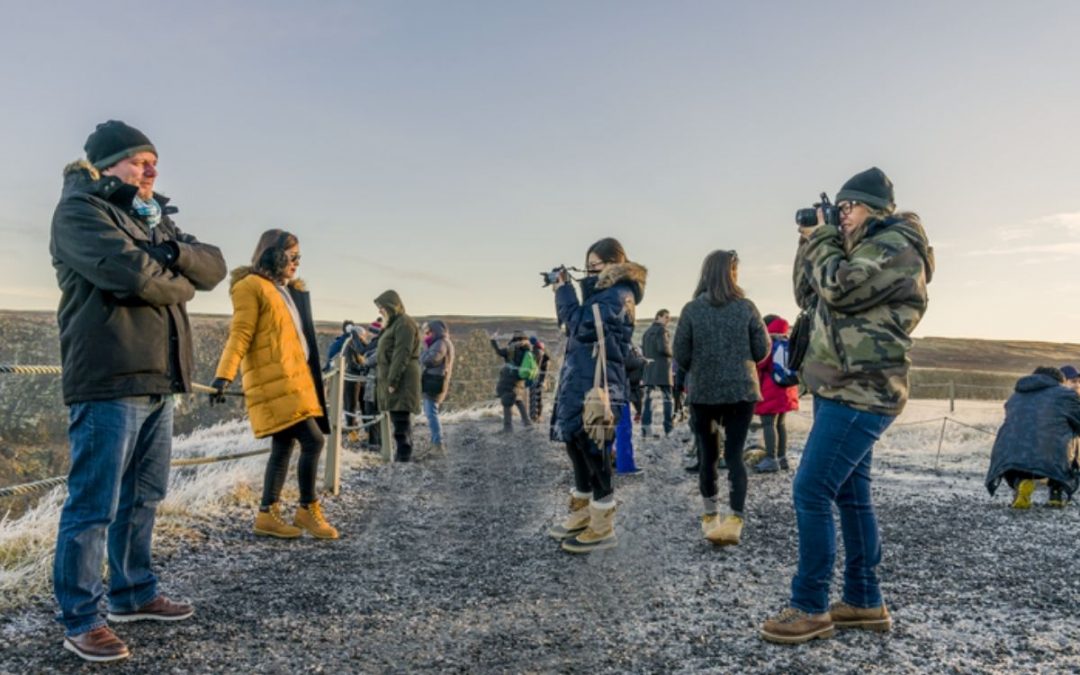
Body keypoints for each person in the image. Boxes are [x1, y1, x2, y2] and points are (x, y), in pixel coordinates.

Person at [49, 120, 226, 662]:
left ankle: (133, 593)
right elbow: (136, 279)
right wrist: (176, 272)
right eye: (138, 160)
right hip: (108, 378)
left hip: (157, 379)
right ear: (107, 165)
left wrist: (169, 256)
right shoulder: (81, 211)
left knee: (143, 498)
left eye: (153, 160)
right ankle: (81, 618)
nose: (151, 169)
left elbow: (213, 266)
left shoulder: (152, 217)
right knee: (93, 504)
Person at [762, 167, 934, 644]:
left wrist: (824, 242)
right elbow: (808, 293)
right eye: (836, 209)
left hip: (863, 390)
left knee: (810, 490)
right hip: (841, 386)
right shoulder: (852, 246)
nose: (841, 216)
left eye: (848, 208)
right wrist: (809, 241)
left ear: (875, 209)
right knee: (850, 496)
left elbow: (837, 286)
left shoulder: (897, 243)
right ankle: (863, 600)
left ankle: (811, 606)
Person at [212, 229, 337, 542]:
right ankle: (307, 509)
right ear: (273, 253)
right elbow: (240, 332)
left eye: (299, 258)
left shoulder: (284, 290)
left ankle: (267, 514)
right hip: (275, 381)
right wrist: (224, 374)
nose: (296, 263)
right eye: (291, 256)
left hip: (294, 379)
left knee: (283, 446)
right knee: (313, 441)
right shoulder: (251, 286)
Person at [546, 238, 645, 553]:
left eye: (594, 267)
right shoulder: (604, 294)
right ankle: (583, 514)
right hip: (581, 379)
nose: (588, 273)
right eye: (586, 267)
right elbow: (576, 324)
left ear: (613, 265)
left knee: (594, 449)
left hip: (599, 384)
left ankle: (603, 523)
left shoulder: (619, 294)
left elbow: (580, 325)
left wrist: (564, 290)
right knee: (576, 445)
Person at [673, 250, 769, 546]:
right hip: (741, 392)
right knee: (736, 456)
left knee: (708, 456)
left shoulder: (691, 309)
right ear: (732, 274)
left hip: (704, 393)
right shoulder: (747, 307)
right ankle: (735, 520)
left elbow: (681, 355)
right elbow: (762, 350)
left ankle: (710, 516)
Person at [985, 366, 1080, 508]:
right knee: (1072, 438)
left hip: (1008, 456)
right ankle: (1056, 493)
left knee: (1021, 440)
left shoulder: (1015, 396)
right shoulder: (1064, 394)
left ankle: (1021, 483)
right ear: (1059, 380)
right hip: (1051, 456)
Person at [374, 290, 422, 462]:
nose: (380, 311)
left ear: (391, 307)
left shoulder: (404, 324)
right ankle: (402, 455)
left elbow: (402, 354)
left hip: (402, 379)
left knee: (401, 421)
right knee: (398, 419)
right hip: (397, 378)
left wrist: (393, 380)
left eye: (382, 307)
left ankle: (404, 458)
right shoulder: (395, 324)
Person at [753, 316, 801, 473]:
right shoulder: (789, 341)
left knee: (768, 424)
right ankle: (782, 458)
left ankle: (770, 459)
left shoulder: (769, 343)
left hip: (771, 389)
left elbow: (761, 364)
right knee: (780, 424)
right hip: (787, 389)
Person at [420, 320, 455, 453]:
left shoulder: (440, 344)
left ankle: (438, 444)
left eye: (428, 332)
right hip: (436, 380)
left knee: (431, 413)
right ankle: (436, 442)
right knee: (431, 412)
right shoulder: (443, 342)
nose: (426, 335)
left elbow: (429, 360)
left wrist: (424, 349)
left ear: (435, 331)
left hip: (434, 382)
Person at [641, 309, 675, 437]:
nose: (668, 320)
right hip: (663, 371)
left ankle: (646, 430)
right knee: (667, 400)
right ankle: (668, 429)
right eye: (666, 317)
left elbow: (644, 352)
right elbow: (663, 348)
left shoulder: (646, 333)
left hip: (649, 370)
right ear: (658, 317)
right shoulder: (662, 330)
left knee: (648, 401)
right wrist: (672, 353)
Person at [491, 331, 533, 432]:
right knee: (517, 398)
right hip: (520, 377)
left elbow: (499, 352)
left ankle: (508, 427)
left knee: (506, 401)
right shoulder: (527, 350)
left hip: (509, 377)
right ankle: (527, 422)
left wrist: (493, 340)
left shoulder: (512, 349)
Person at [528, 336, 552, 422]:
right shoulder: (541, 351)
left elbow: (536, 366)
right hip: (542, 378)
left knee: (536, 397)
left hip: (538, 378)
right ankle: (537, 416)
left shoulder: (536, 352)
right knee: (538, 397)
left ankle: (535, 417)